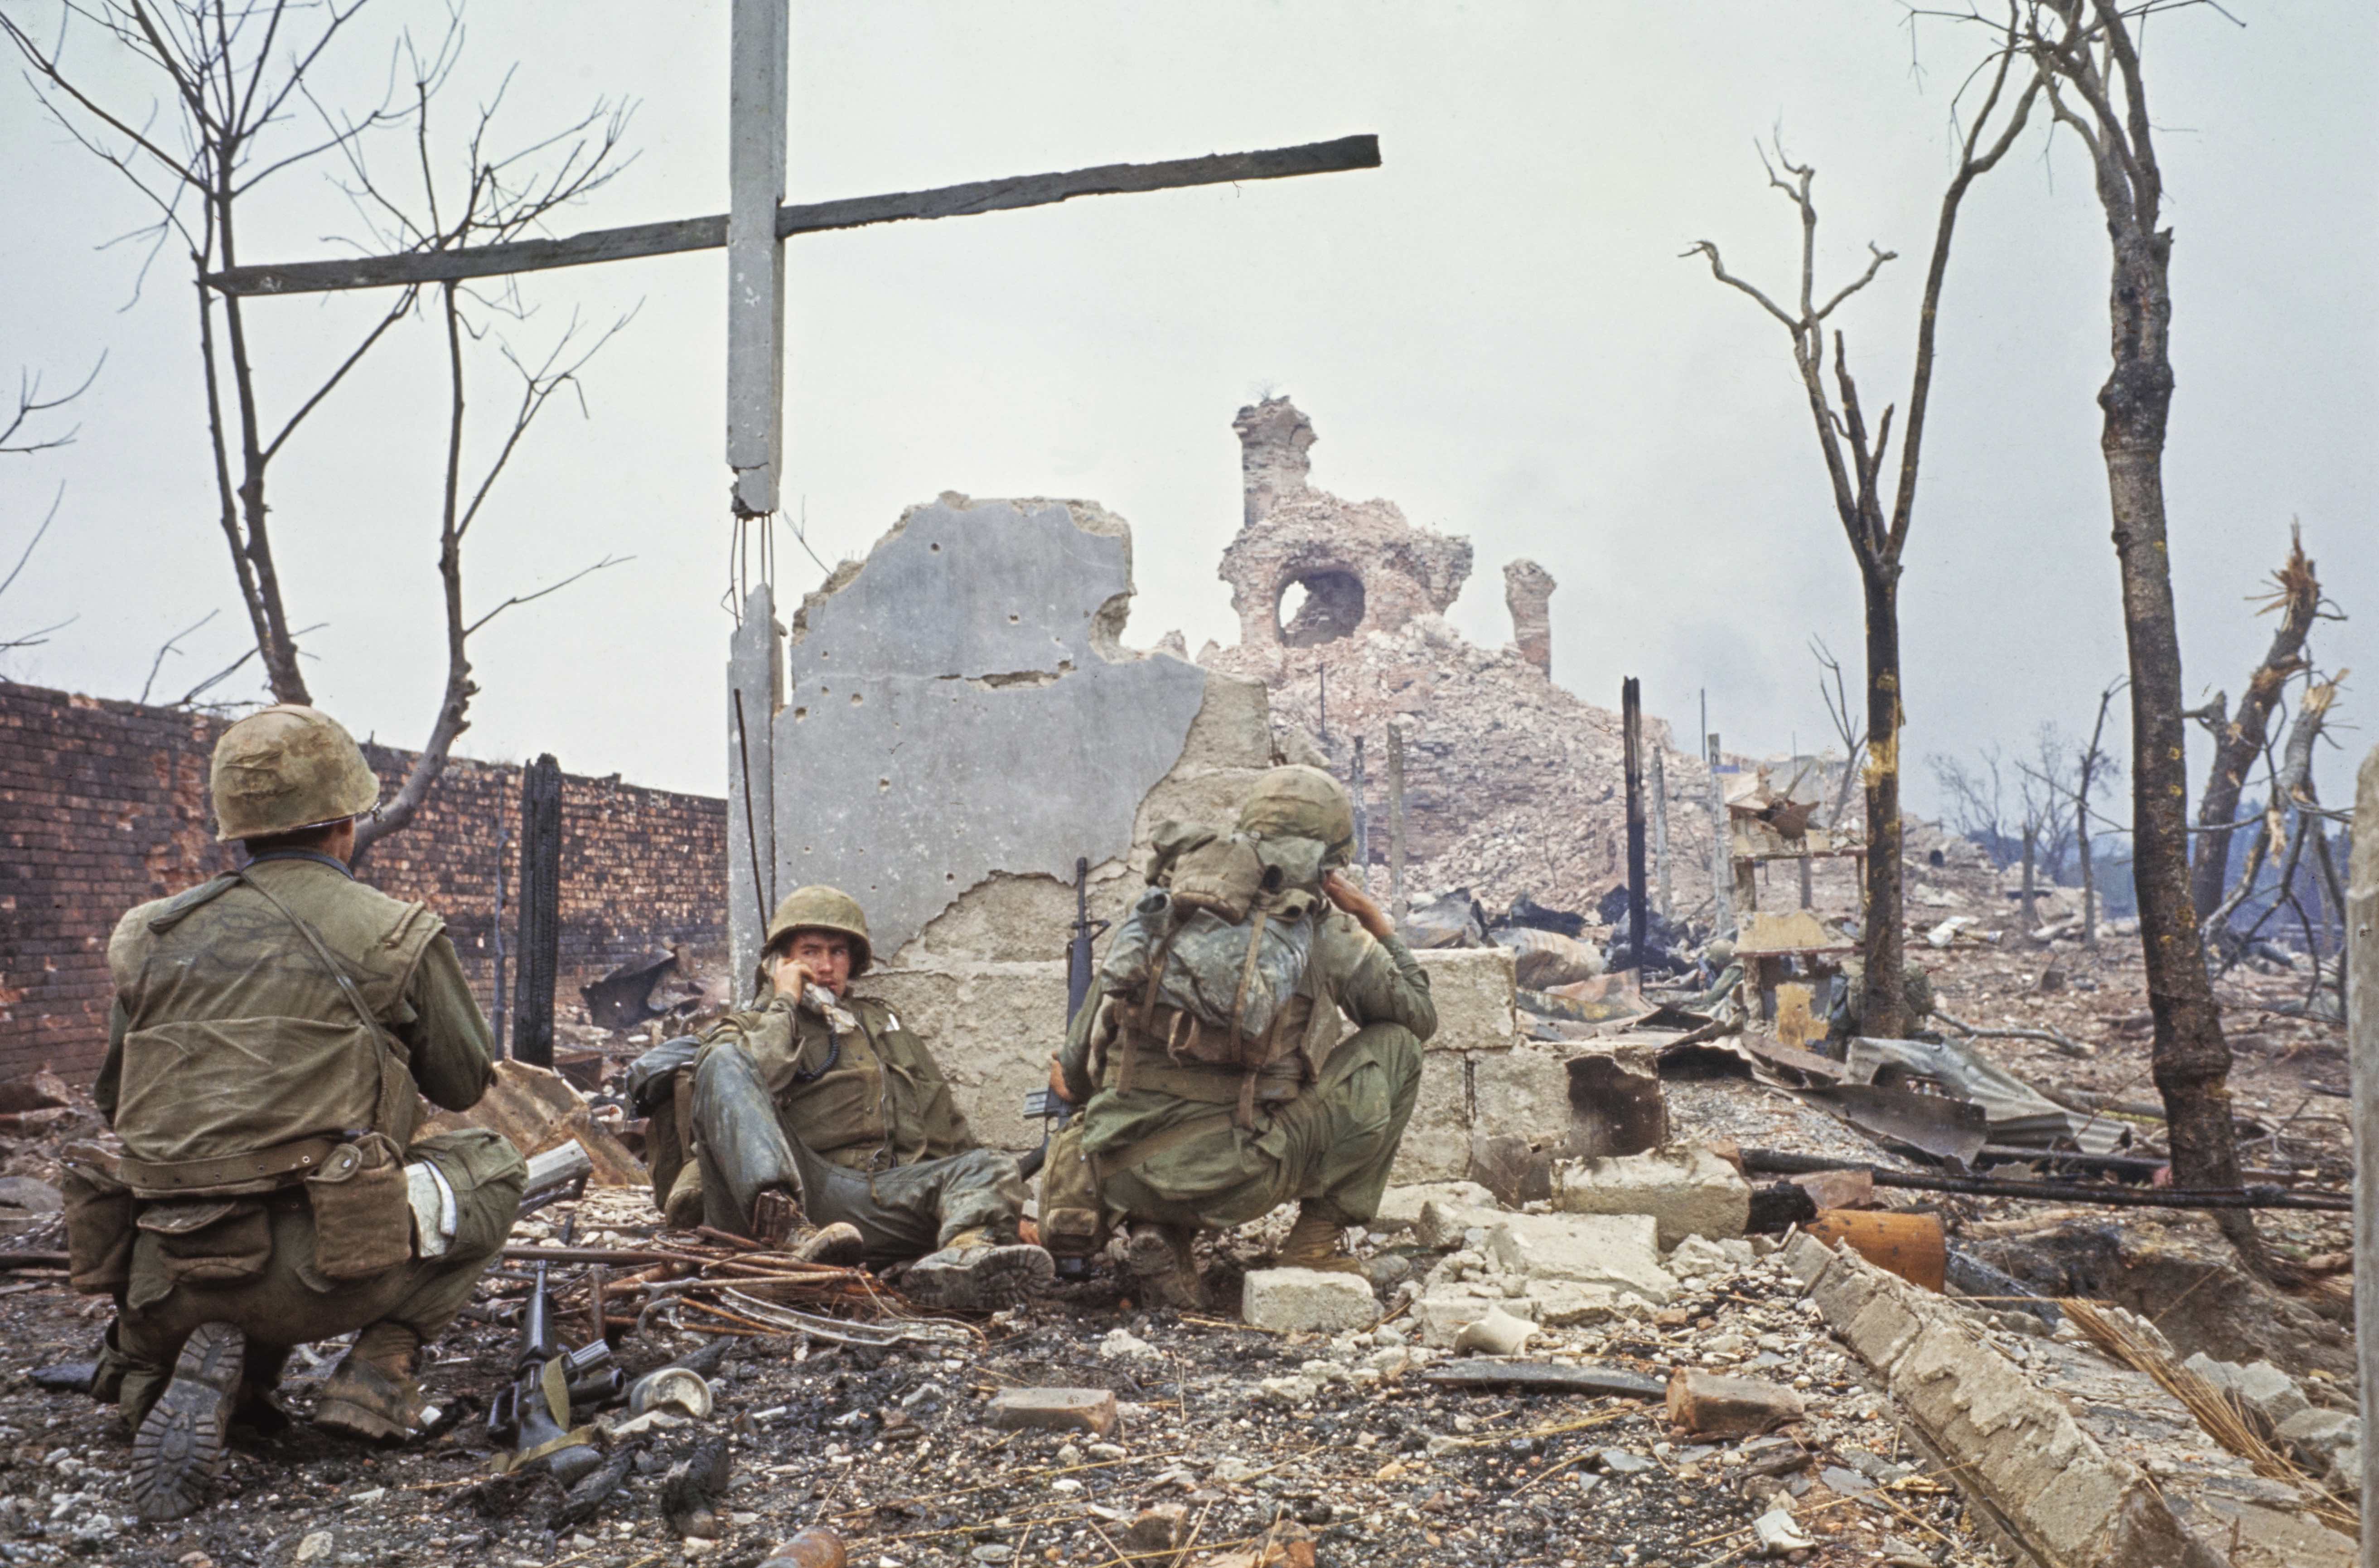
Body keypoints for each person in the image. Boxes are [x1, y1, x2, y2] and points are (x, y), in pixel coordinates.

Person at [71, 706, 524, 1521]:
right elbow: (462, 1084)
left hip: (164, 1279)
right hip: (329, 1273)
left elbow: (114, 1100)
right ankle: (378, 1371)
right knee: (493, 1161)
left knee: (223, 1200)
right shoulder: (392, 931)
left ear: (234, 830)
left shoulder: (149, 935)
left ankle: (171, 1376)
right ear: (348, 821)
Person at [1041, 765, 1436, 1306]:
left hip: (1123, 1170)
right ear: (1330, 861)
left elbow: (1074, 1071)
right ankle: (1315, 1245)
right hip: (1240, 1179)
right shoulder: (1324, 927)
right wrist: (1376, 922)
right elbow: (1417, 1017)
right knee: (1398, 1049)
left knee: (1138, 1107)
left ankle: (1162, 1232)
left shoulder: (1163, 909)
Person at [640, 885, 1052, 1310]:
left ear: (853, 961)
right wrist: (784, 1001)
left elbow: (950, 1132)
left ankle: (962, 1261)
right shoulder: (747, 1025)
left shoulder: (886, 1027)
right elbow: (751, 1074)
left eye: (837, 952)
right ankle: (786, 1232)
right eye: (810, 952)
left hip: (878, 1203)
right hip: (799, 1192)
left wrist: (997, 1207)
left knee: (990, 1165)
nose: (825, 966)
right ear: (781, 961)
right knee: (725, 1061)